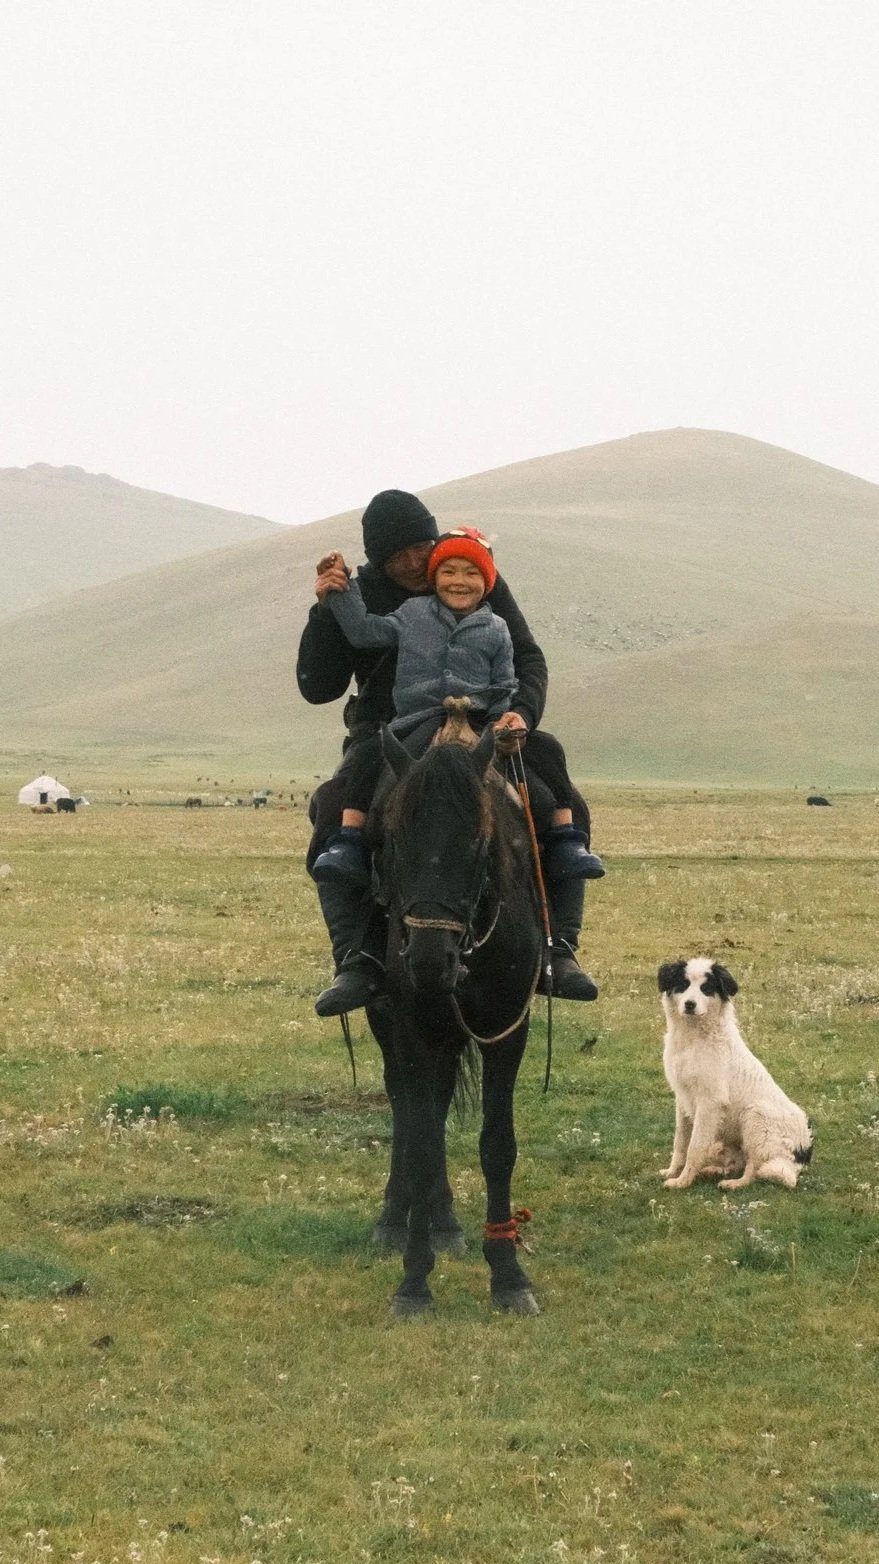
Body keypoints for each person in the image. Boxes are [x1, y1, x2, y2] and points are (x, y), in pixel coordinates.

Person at [296, 488, 600, 1013]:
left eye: (422, 546)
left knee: (558, 792)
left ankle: (558, 948)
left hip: (486, 722)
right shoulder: (365, 594)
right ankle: (357, 958)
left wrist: (520, 714)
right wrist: (328, 610)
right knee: (333, 809)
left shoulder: (470, 576)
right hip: (393, 727)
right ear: (379, 560)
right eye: (400, 555)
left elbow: (527, 660)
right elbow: (319, 687)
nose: (417, 562)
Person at [311, 526, 605, 890]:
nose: (459, 581)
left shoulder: (497, 627)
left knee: (549, 750)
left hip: (482, 723)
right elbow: (364, 632)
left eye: (471, 573)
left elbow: (507, 679)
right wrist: (341, 592)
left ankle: (566, 841)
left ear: (488, 582)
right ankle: (348, 841)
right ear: (434, 579)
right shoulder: (411, 613)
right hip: (416, 720)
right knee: (369, 752)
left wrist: (509, 718)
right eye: (448, 572)